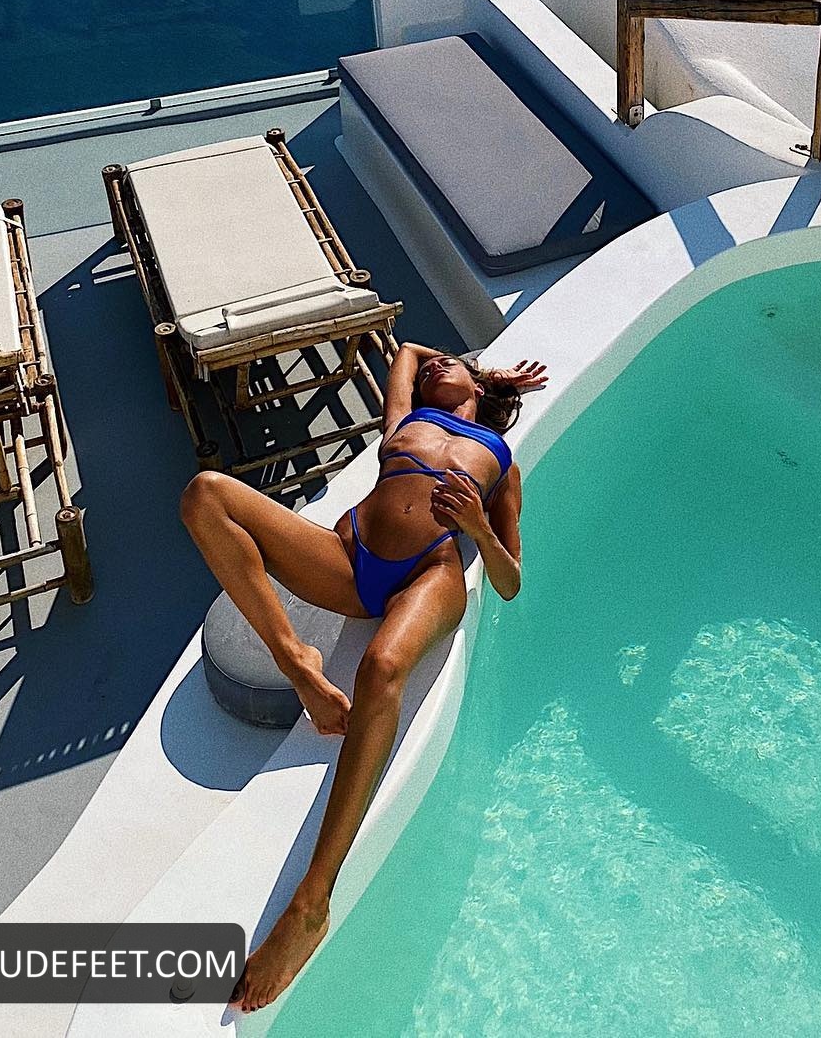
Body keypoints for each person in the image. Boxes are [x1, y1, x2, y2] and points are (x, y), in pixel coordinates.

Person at [179, 341, 547, 1011]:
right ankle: (298, 662)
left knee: (381, 665)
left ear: (477, 390)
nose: (435, 366)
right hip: (349, 558)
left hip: (428, 571)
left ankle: (312, 901)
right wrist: (483, 371)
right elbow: (406, 349)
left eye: (451, 365)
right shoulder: (405, 419)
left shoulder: (502, 461)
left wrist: (477, 526)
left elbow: (510, 579)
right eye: (435, 369)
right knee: (206, 494)